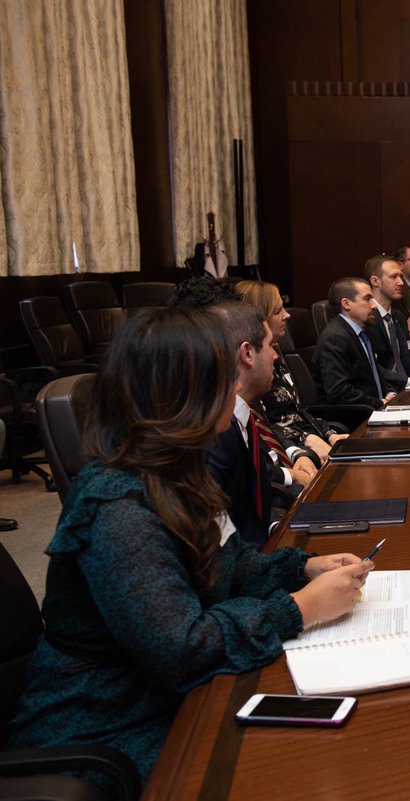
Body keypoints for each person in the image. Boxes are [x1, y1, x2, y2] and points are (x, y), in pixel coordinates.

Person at [4, 306, 372, 789]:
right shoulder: (116, 503)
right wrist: (298, 610)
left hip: (171, 695)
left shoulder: (179, 469)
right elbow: (181, 648)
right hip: (108, 722)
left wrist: (301, 568)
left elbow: (228, 564)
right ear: (185, 394)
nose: (235, 389)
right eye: (221, 378)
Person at [205, 301, 318, 549]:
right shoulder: (216, 434)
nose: (276, 356)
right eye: (269, 346)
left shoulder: (245, 413)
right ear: (247, 353)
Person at [236, 280, 349, 464]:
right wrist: (305, 440)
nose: (286, 315)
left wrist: (328, 434)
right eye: (277, 310)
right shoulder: (251, 369)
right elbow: (263, 425)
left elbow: (296, 410)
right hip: (291, 456)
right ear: (259, 318)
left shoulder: (276, 351)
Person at [312, 277, 403, 409]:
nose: (374, 305)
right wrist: (380, 403)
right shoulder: (336, 337)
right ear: (346, 304)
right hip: (356, 419)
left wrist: (390, 392)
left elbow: (373, 375)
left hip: (374, 409)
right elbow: (340, 392)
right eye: (367, 299)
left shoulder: (361, 332)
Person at [363, 254, 410, 382]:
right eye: (394, 277)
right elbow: (371, 366)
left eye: (400, 276)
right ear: (375, 281)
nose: (401, 282)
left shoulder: (398, 316)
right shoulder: (366, 318)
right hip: (387, 391)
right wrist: (406, 382)